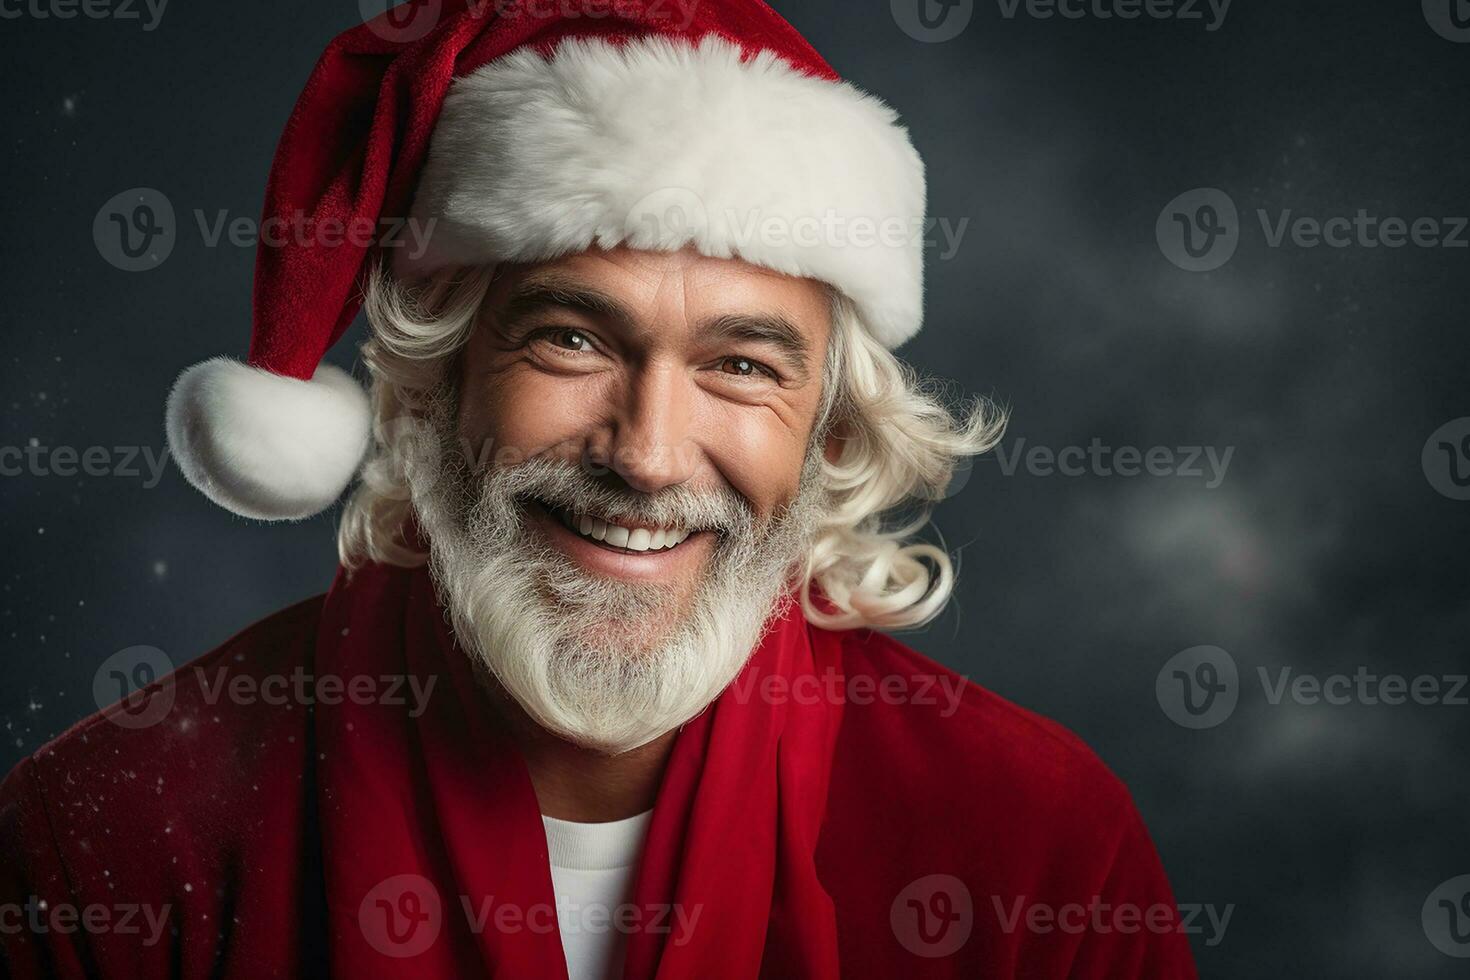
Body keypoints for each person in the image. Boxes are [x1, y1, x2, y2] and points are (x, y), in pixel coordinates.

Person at [0, 1, 1198, 976]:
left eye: (741, 365)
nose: (649, 453)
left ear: (829, 432)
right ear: (434, 379)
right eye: (572, 339)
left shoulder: (1038, 844)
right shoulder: (108, 832)